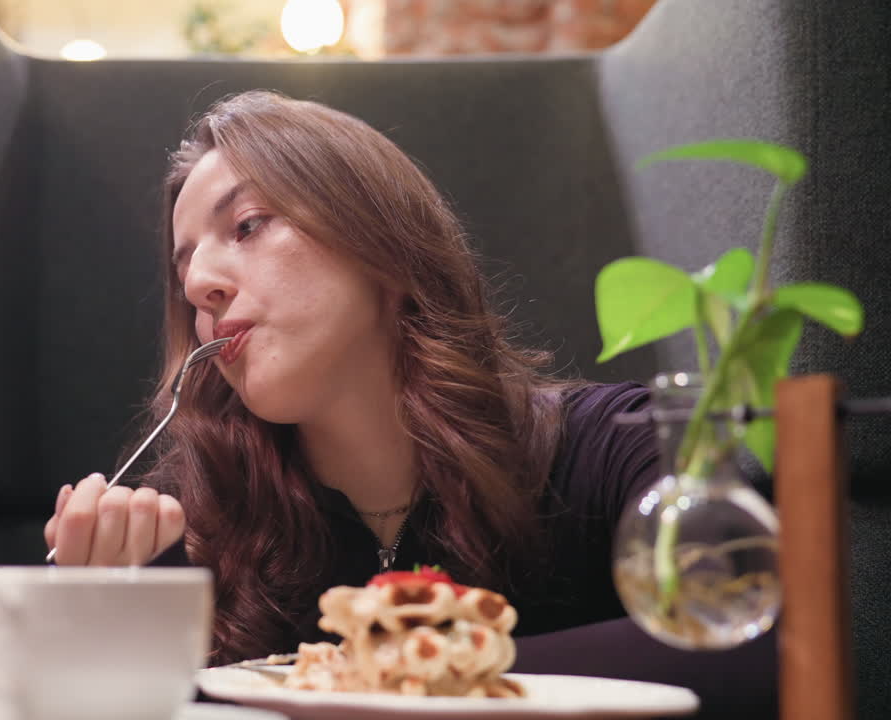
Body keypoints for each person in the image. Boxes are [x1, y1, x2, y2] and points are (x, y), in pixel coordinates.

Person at [43, 90, 775, 718]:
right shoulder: (199, 521)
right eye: (185, 266)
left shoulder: (615, 447)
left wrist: (384, 672)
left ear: (381, 248)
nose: (201, 280)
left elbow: (763, 647)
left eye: (247, 226)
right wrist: (115, 624)